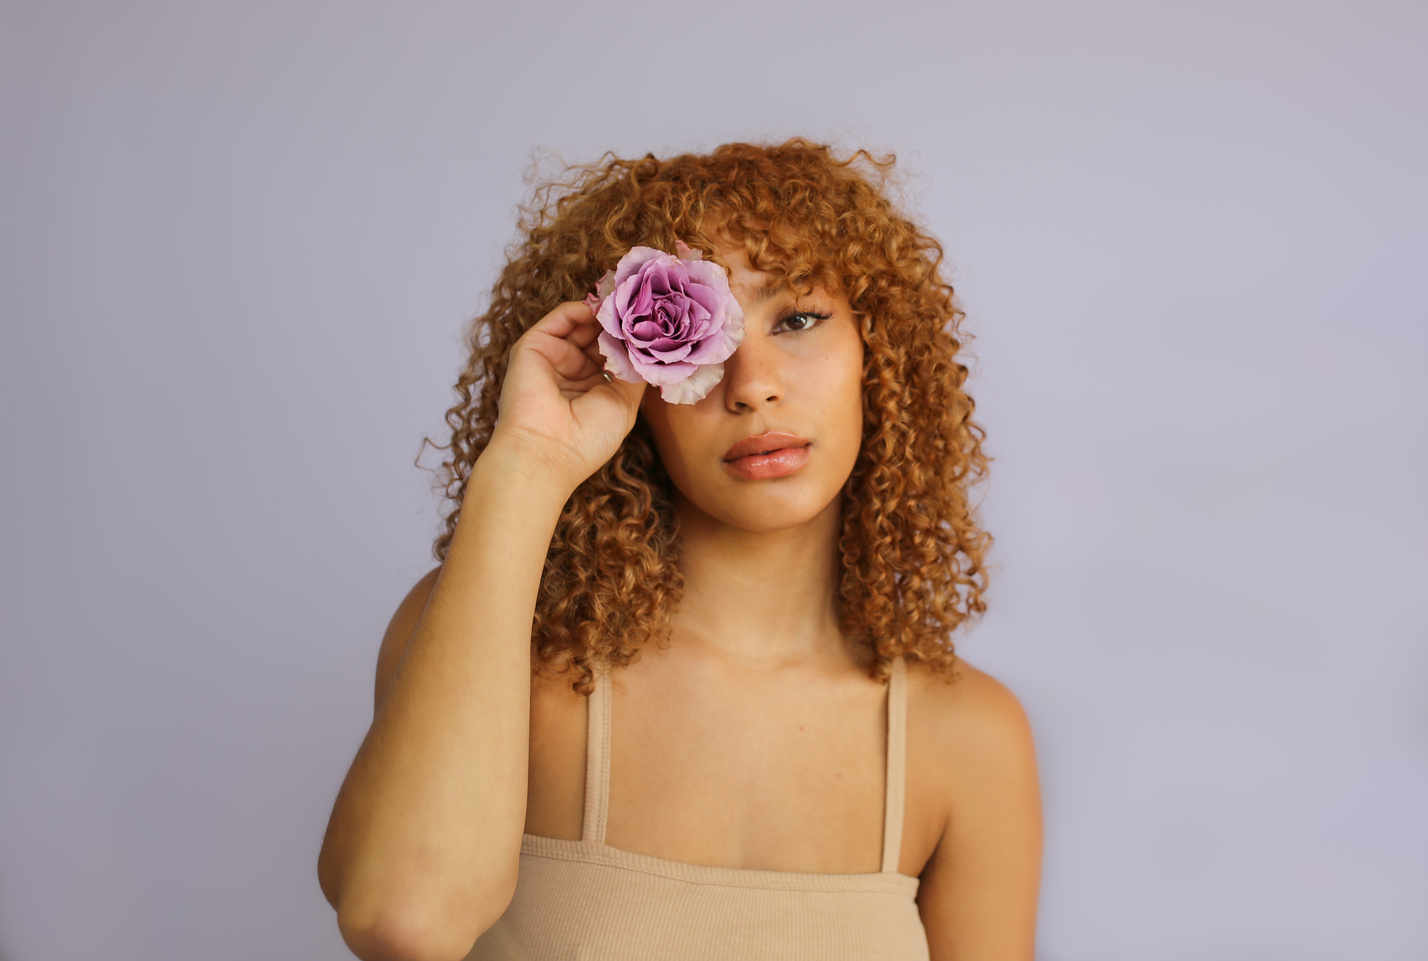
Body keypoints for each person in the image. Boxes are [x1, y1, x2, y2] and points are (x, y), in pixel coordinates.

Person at [317, 139, 1043, 961]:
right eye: (703, 340)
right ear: (631, 379)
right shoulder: (507, 651)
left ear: (880, 353)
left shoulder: (968, 737)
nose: (751, 384)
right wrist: (525, 465)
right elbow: (400, 921)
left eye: (797, 318)